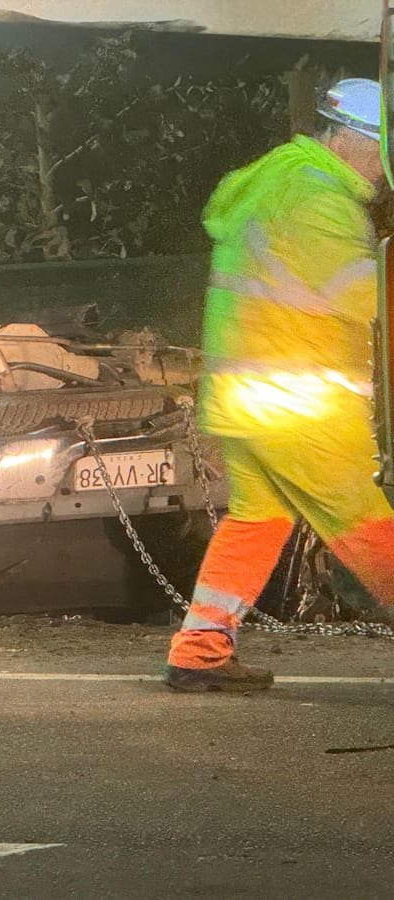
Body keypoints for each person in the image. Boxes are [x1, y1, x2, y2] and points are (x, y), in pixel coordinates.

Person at [165, 77, 394, 692]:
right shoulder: (317, 201)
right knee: (371, 526)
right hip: (303, 404)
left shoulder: (275, 179)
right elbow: (370, 298)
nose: (384, 168)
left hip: (247, 397)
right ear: (354, 141)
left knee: (258, 521)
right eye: (385, 149)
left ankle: (200, 652)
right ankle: (200, 652)